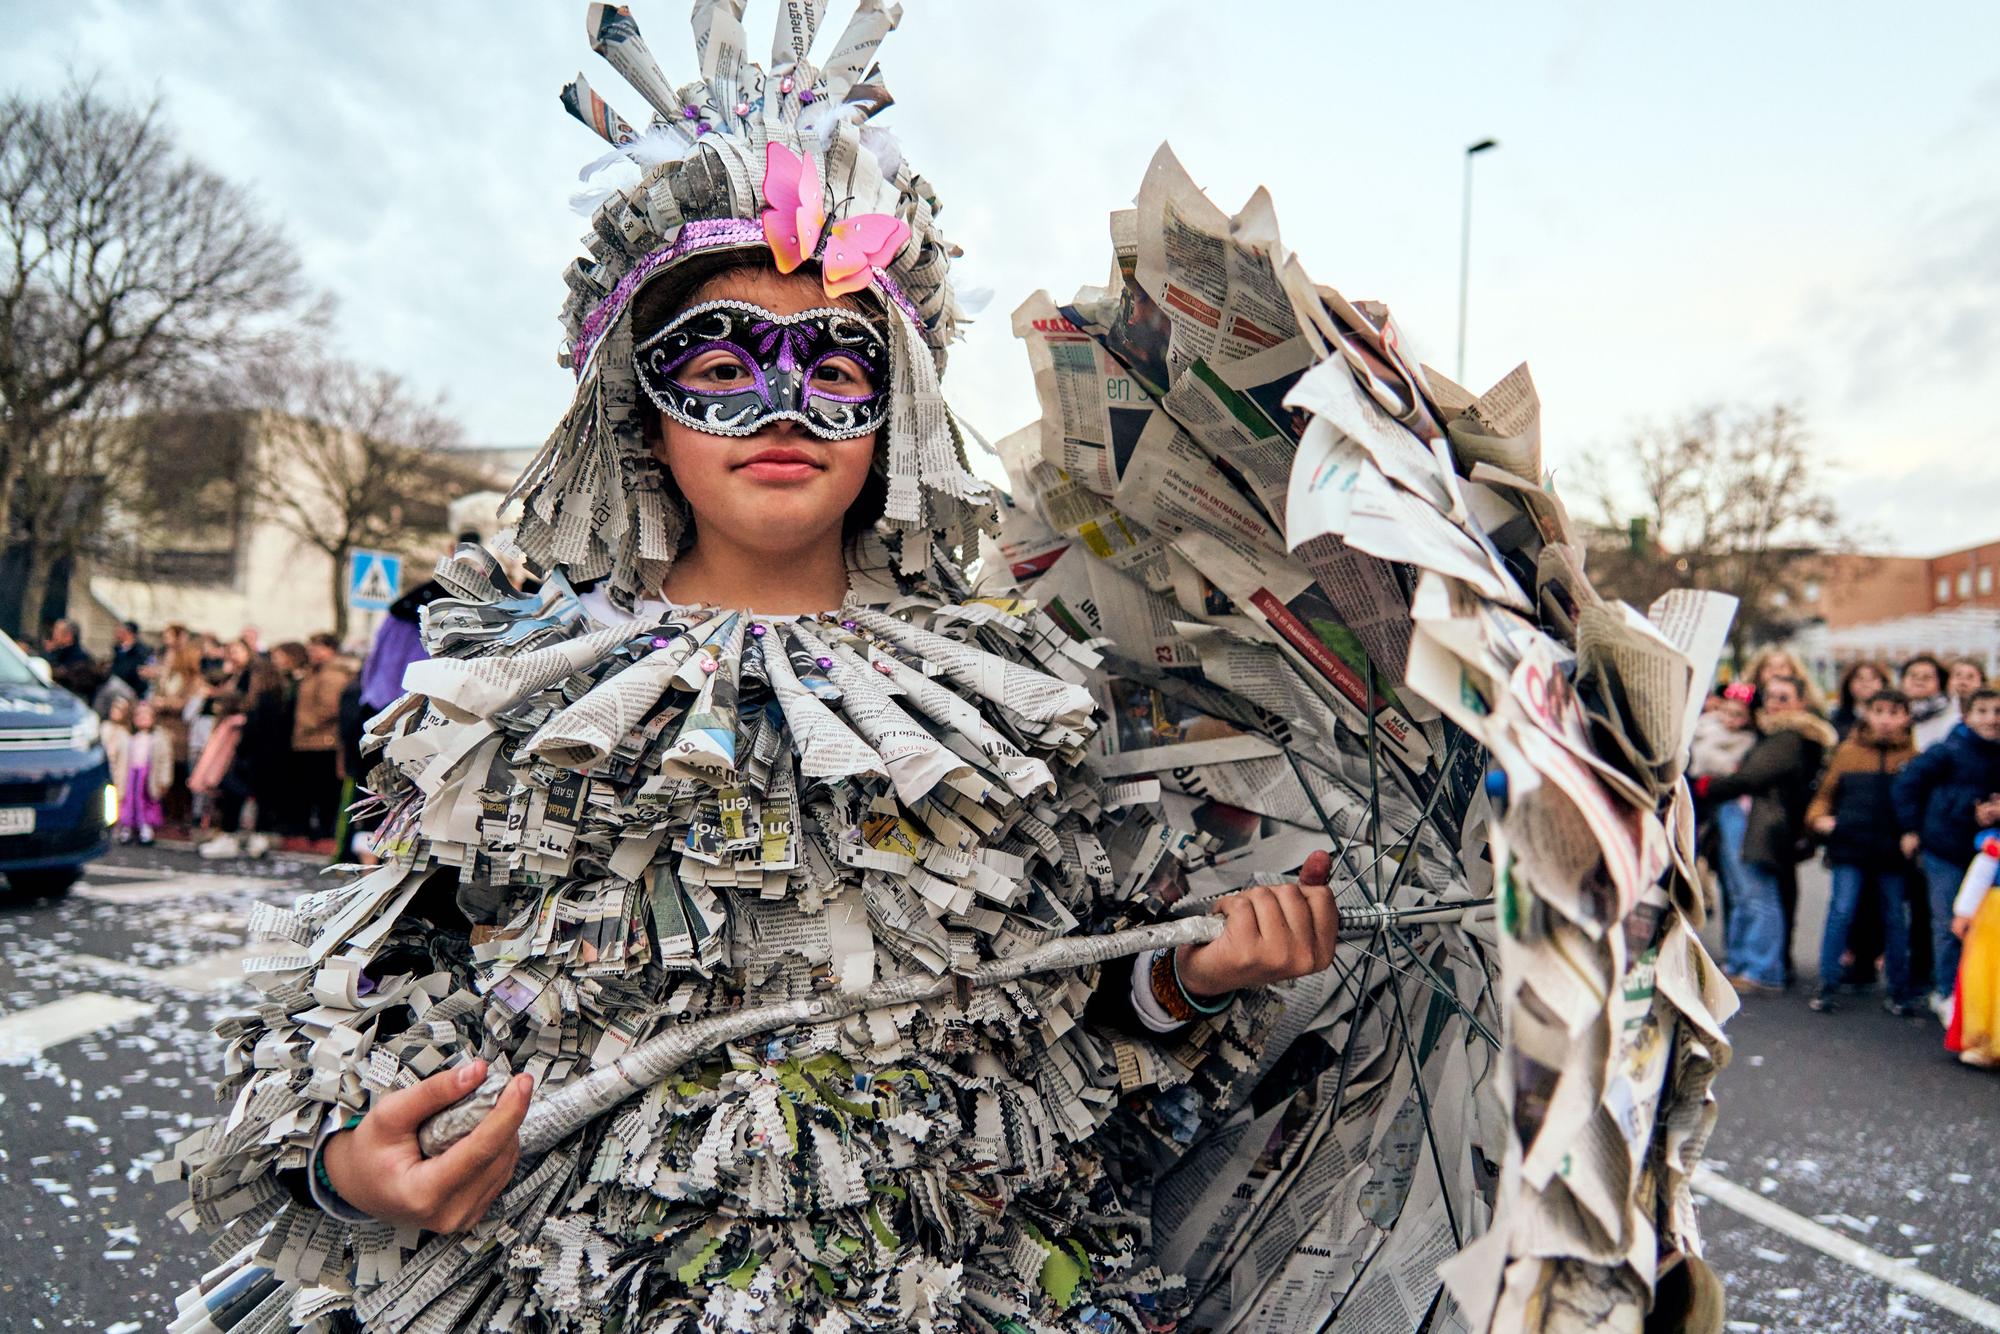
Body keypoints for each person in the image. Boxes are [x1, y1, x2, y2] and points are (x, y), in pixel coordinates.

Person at [173, 17, 1350, 1328]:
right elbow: (363, 1013)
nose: (782, 407)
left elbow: (1069, 1003)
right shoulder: (504, 699)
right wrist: (352, 1166)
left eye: (835, 367)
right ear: (640, 407)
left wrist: (1196, 971)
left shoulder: (1007, 699)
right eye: (724, 366)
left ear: (895, 410)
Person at [1693, 676, 1836, 995]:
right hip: (1744, 817)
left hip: (1761, 822)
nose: (1774, 703)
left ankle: (1762, 968)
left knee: (1758, 895)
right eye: (1770, 696)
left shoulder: (1788, 737)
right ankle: (1742, 962)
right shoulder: (1767, 732)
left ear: (1801, 701)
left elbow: (1752, 775)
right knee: (1743, 894)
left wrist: (1708, 786)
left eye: (1784, 698)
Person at [1803, 689, 1923, 1014]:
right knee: (1842, 910)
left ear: (1906, 717)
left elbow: (1921, 802)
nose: (1885, 719)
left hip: (1891, 848)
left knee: (1894, 916)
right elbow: (1826, 793)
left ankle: (1898, 989)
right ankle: (1827, 981)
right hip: (1851, 843)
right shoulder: (1849, 752)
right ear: (1867, 713)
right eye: (1879, 711)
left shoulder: (1913, 757)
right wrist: (1818, 818)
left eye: (1894, 712)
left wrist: (1914, 833)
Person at [1894, 687, 2000, 1023]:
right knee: (1951, 921)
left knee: (1985, 927)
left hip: (1988, 852)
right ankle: (1946, 993)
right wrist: (1911, 828)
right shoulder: (1948, 750)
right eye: (1982, 711)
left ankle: (1979, 997)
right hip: (1947, 847)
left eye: (1997, 712)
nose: (1992, 719)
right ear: (1966, 716)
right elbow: (1907, 783)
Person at [290, 632, 355, 846]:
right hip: (309, 739)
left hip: (323, 740)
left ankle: (325, 832)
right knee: (310, 788)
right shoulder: (314, 672)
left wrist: (308, 723)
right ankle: (313, 830)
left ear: (330, 649)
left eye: (317, 648)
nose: (312, 653)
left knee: (324, 790)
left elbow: (330, 707)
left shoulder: (332, 674)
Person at [1947, 831, 2000, 1067]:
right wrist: (1964, 912)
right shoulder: (1993, 843)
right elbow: (1982, 872)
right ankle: (1985, 1041)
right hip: (1993, 917)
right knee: (1986, 978)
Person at [116, 701, 172, 845]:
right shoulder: (127, 738)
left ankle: (145, 827)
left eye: (146, 715)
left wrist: (164, 779)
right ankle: (127, 827)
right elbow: (118, 759)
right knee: (128, 802)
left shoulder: (159, 739)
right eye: (138, 715)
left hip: (148, 776)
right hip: (130, 775)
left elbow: (165, 760)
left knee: (146, 802)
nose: (142, 718)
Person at [1743, 647, 1827, 715]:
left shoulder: (1811, 705)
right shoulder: (1748, 704)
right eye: (1769, 667)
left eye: (1782, 667)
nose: (1775, 672)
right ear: (1759, 672)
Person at [1902, 654, 1956, 751]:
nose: (1919, 681)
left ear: (1940, 683)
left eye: (1927, 677)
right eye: (1913, 676)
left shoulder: (1952, 718)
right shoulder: (1894, 712)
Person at [1829, 660, 1891, 740]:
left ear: (1883, 683)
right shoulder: (1836, 719)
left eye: (1873, 678)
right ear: (1849, 683)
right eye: (1860, 678)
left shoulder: (1893, 718)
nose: (1866, 683)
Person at [109, 620, 153, 695]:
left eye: (121, 631)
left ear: (128, 633)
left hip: (133, 690)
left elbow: (140, 673)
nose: (117, 633)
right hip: (118, 685)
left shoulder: (142, 652)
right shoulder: (118, 649)